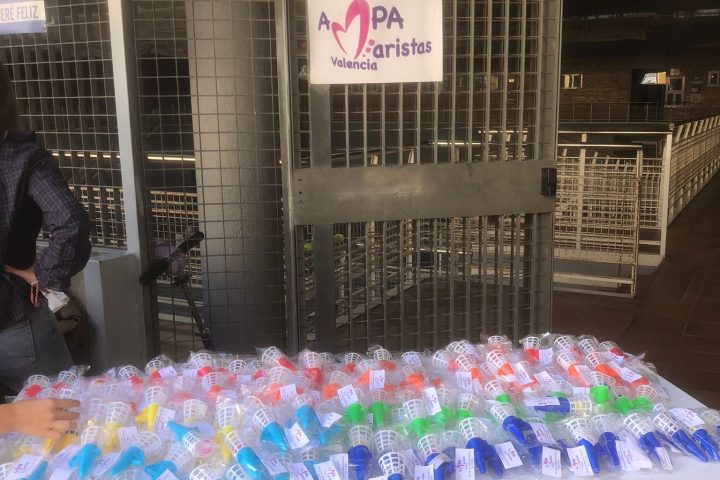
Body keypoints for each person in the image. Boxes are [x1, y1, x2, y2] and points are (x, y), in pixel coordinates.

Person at [0, 61, 91, 398]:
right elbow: (70, 222)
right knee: (66, 411)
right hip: (15, 321)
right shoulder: (22, 158)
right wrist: (46, 277)